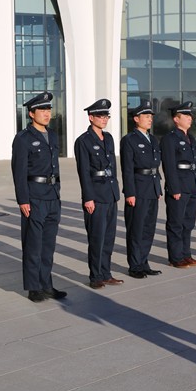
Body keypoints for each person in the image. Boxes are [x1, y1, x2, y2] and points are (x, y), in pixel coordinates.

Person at [11, 91, 67, 302]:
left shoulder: (52, 135)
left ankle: (47, 285)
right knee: (33, 245)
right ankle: (34, 287)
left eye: (48, 109)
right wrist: (23, 200)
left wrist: (57, 192)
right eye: (42, 110)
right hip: (34, 196)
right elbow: (18, 172)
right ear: (31, 113)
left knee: (48, 246)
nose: (47, 113)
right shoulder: (23, 139)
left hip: (52, 195)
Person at [74, 99, 123, 289]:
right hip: (95, 195)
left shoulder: (108, 138)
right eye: (100, 116)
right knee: (97, 238)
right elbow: (84, 172)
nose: (104, 119)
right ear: (91, 117)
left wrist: (115, 189)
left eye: (106, 116)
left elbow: (113, 166)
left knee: (109, 238)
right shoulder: (83, 141)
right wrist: (88, 197)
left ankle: (106, 273)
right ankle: (95, 276)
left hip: (110, 193)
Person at [120, 100, 163, 279]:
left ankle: (144, 262)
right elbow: (127, 169)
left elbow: (156, 167)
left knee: (148, 229)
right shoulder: (129, 140)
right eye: (146, 116)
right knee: (136, 229)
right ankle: (135, 265)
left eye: (151, 116)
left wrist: (158, 189)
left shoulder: (153, 139)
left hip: (152, 188)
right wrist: (130, 193)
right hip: (138, 189)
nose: (150, 119)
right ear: (136, 119)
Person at [160, 101, 196, 268]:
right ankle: (176, 257)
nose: (190, 118)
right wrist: (174, 188)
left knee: (188, 223)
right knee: (176, 223)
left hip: (192, 185)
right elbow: (169, 166)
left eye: (190, 115)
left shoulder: (191, 138)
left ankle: (186, 254)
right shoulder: (170, 139)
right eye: (185, 115)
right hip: (179, 186)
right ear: (176, 119)